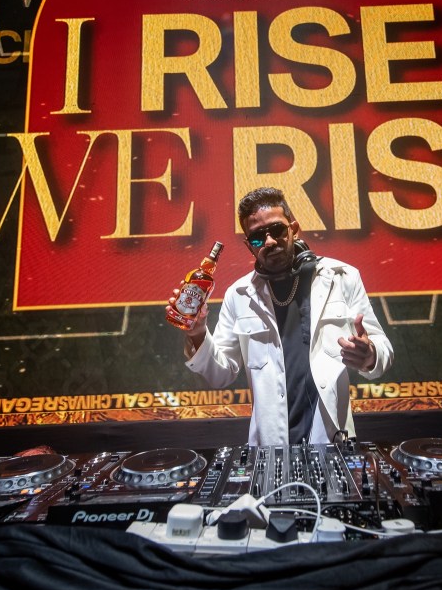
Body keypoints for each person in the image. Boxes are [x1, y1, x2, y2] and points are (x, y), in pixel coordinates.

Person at [166, 187, 393, 446]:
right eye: (257, 238)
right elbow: (220, 375)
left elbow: (383, 351)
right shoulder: (239, 295)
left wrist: (369, 355)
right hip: (268, 448)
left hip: (333, 442)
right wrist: (196, 332)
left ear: (293, 229)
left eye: (277, 230)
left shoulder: (343, 278)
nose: (269, 242)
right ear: (249, 245)